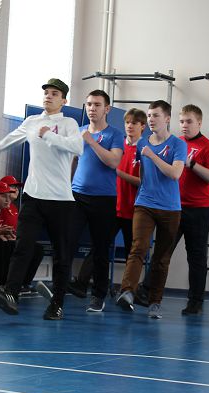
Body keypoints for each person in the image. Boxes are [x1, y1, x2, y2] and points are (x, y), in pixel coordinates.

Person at [0, 78, 83, 320]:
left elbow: (77, 148)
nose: (49, 96)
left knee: (61, 255)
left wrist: (49, 135)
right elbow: (11, 138)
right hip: (33, 196)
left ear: (64, 100)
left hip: (60, 200)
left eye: (54, 93)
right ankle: (11, 293)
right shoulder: (32, 122)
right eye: (47, 92)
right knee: (22, 246)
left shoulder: (69, 123)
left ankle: (57, 303)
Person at [115, 100, 186, 319]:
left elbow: (175, 174)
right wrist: (144, 189)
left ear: (167, 118)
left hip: (170, 207)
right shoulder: (142, 144)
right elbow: (143, 174)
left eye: (155, 115)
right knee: (138, 247)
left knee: (161, 258)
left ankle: (155, 302)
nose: (151, 119)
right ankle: (127, 291)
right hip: (144, 204)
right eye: (149, 115)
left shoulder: (178, 144)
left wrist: (152, 155)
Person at [69, 107, 146, 301]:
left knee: (132, 252)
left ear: (142, 127)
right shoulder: (117, 144)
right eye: (127, 122)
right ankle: (82, 283)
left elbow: (144, 182)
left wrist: (119, 173)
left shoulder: (144, 149)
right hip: (112, 205)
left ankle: (129, 291)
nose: (130, 126)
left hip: (133, 209)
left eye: (134, 123)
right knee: (99, 246)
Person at [68, 90, 124, 313]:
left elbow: (113, 162)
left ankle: (98, 296)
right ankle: (60, 290)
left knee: (100, 249)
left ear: (106, 109)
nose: (92, 108)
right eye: (89, 104)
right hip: (78, 196)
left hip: (104, 198)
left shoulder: (114, 134)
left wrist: (91, 141)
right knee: (66, 242)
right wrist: (69, 185)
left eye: (97, 105)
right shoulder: (80, 130)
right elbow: (74, 160)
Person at [173, 104, 209, 314]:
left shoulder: (208, 147)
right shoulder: (176, 143)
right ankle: (147, 292)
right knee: (163, 252)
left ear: (199, 123)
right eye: (182, 121)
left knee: (196, 258)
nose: (184, 125)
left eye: (189, 121)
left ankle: (195, 301)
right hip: (175, 207)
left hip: (199, 210)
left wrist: (191, 164)